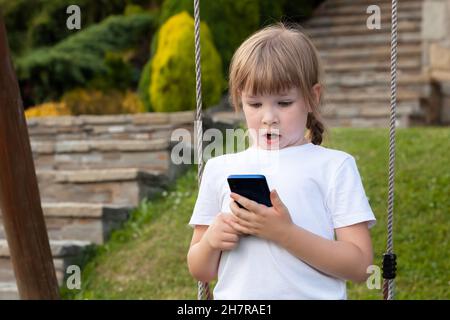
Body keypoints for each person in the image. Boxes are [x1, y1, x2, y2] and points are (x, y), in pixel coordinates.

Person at [187, 22, 376, 300]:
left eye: (284, 103)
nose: (268, 117)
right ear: (239, 100)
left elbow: (360, 266)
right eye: (255, 104)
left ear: (313, 98)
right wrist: (212, 241)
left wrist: (284, 233)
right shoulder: (220, 169)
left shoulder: (334, 167)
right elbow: (200, 269)